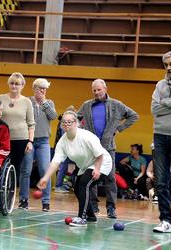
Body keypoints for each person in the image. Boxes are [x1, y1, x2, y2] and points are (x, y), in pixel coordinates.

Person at [38, 110, 112, 226]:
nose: (66, 124)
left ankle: (81, 218)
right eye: (64, 122)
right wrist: (45, 178)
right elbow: (56, 161)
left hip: (102, 163)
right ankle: (91, 216)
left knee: (84, 184)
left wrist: (97, 169)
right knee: (77, 188)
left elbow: (99, 154)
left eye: (69, 122)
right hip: (85, 165)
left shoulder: (86, 136)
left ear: (76, 123)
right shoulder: (62, 142)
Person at [77, 78, 139, 219]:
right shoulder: (86, 105)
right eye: (94, 90)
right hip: (91, 148)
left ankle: (111, 208)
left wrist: (119, 128)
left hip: (108, 147)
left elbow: (133, 116)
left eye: (99, 89)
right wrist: (81, 129)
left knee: (110, 178)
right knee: (91, 177)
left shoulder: (116, 104)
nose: (97, 92)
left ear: (105, 89)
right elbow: (76, 118)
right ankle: (93, 206)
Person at [151, 50, 171, 233]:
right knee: (161, 182)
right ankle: (165, 221)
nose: (168, 68)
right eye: (166, 65)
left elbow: (161, 106)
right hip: (160, 137)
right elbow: (154, 108)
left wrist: (165, 102)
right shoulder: (160, 85)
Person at [19, 78, 57, 211]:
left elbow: (53, 116)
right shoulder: (26, 101)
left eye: (44, 89)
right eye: (39, 88)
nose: (42, 91)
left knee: (44, 170)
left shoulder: (49, 102)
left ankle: (46, 202)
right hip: (28, 140)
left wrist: (44, 102)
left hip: (43, 141)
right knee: (26, 170)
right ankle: (23, 200)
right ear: (33, 88)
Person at [0, 72, 35, 197]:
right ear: (9, 84)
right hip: (2, 139)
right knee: (0, 165)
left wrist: (30, 141)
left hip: (21, 139)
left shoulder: (27, 101)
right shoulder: (1, 98)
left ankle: (9, 196)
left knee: (15, 168)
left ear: (22, 85)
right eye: (12, 83)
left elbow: (31, 123)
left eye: (17, 84)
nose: (14, 86)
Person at [54, 105, 77, 193]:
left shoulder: (62, 121)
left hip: (65, 147)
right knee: (63, 167)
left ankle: (65, 185)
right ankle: (59, 186)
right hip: (65, 147)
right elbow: (66, 136)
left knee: (65, 167)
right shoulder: (65, 122)